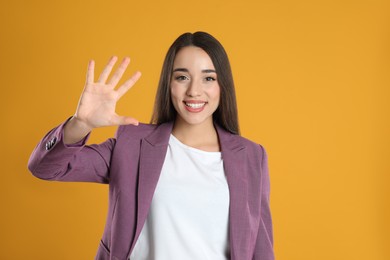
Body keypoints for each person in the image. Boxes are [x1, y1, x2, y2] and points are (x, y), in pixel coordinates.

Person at [28, 31, 274, 260]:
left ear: (223, 86)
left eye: (208, 78)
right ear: (169, 84)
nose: (194, 91)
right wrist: (80, 124)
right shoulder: (132, 146)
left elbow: (260, 247)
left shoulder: (252, 157)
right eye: (182, 77)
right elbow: (46, 168)